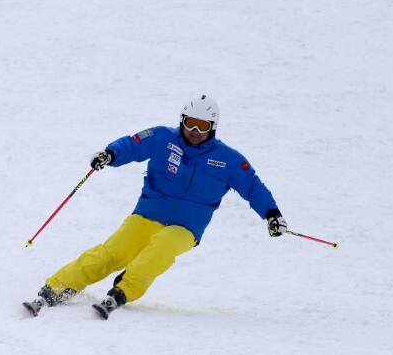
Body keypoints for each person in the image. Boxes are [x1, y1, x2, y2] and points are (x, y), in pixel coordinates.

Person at [23, 95, 289, 319]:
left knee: (160, 250)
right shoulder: (163, 137)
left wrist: (272, 215)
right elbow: (132, 144)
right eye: (190, 124)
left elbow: (252, 186)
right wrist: (110, 154)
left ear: (213, 127)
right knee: (113, 252)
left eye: (202, 126)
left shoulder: (228, 159)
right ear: (182, 121)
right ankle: (57, 287)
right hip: (148, 213)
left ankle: (122, 291)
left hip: (186, 226)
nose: (195, 132)